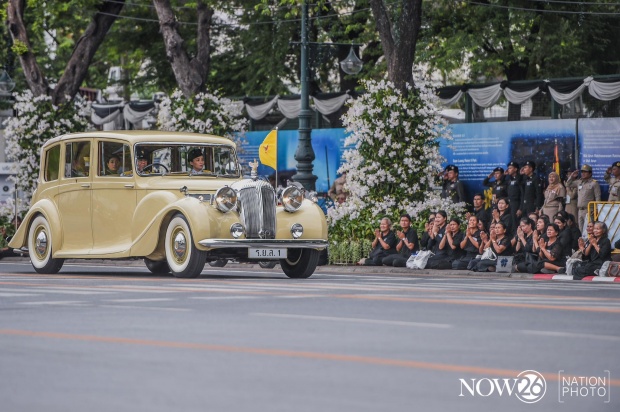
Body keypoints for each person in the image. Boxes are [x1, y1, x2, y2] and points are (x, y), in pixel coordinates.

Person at [565, 164, 601, 230]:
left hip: (589, 210)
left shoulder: (594, 183)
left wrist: (596, 209)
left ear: (590, 173)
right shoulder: (579, 182)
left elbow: (598, 197)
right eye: (582, 172)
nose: (583, 173)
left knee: (589, 229)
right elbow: (568, 184)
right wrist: (572, 176)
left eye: (585, 172)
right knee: (581, 229)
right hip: (580, 210)